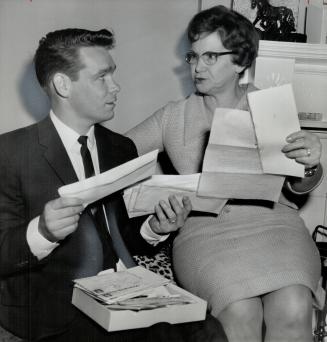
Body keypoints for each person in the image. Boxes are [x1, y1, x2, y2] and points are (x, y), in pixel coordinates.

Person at [126, 6, 325, 342]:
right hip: (205, 233)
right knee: (240, 312)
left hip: (275, 226)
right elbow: (115, 153)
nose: (197, 66)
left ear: (241, 62)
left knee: (294, 306)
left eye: (211, 57)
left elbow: (298, 187)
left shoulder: (270, 106)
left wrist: (310, 163)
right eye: (194, 56)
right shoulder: (174, 116)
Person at [0, 28, 212, 342]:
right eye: (102, 77)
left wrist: (156, 227)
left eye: (113, 75)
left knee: (210, 332)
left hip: (131, 293)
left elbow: (123, 237)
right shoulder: (11, 152)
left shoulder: (120, 148)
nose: (116, 87)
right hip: (60, 309)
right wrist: (42, 232)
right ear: (62, 85)